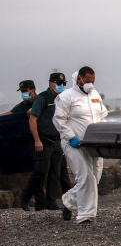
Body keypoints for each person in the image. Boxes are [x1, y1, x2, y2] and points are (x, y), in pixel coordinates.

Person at [53, 66, 108, 224]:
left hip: (94, 143)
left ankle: (68, 202)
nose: (90, 84)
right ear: (79, 79)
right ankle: (85, 216)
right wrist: (70, 137)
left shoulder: (95, 95)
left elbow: (102, 116)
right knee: (85, 178)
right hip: (74, 144)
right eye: (88, 81)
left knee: (94, 179)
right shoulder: (67, 96)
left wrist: (103, 135)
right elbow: (59, 119)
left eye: (93, 81)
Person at [19, 73, 72, 212]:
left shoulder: (62, 99)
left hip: (58, 140)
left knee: (56, 172)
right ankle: (24, 196)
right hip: (43, 140)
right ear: (51, 84)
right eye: (58, 83)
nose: (61, 86)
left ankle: (51, 202)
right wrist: (37, 140)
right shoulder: (42, 98)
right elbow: (32, 119)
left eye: (63, 83)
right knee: (41, 171)